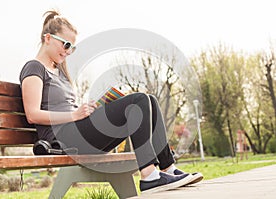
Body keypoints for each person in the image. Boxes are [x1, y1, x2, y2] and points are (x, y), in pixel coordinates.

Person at [19, 10, 203, 194]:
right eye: (66, 45)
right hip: (63, 140)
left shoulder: (61, 73)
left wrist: (89, 110)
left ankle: (168, 168)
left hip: (77, 133)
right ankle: (149, 176)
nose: (68, 52)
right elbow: (32, 114)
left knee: (150, 101)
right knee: (137, 101)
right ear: (48, 38)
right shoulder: (34, 67)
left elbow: (65, 107)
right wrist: (75, 114)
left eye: (72, 48)